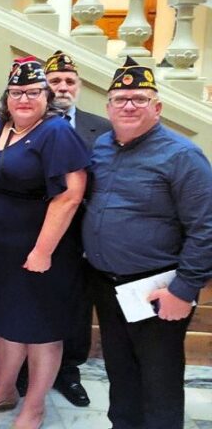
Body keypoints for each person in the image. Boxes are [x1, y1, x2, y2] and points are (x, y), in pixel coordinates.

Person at [84, 57, 212, 429]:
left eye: (139, 99)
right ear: (108, 107)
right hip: (108, 286)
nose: (128, 105)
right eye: (120, 98)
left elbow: (206, 227)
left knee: (160, 382)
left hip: (159, 289)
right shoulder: (101, 147)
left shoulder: (182, 156)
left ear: (157, 107)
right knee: (120, 373)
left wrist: (183, 291)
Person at [0, 57, 88, 428]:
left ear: (46, 95)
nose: (24, 98)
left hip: (38, 250)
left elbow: (70, 195)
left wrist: (42, 251)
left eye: (33, 92)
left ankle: (34, 407)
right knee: (6, 321)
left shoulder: (56, 132)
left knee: (41, 329)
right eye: (17, 92)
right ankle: (4, 390)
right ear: (7, 96)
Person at [16, 50, 111, 406]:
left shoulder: (99, 128)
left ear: (80, 86)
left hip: (80, 235)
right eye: (54, 81)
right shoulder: (26, 121)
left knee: (75, 306)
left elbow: (101, 183)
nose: (62, 87)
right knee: (31, 301)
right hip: (32, 231)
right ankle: (27, 371)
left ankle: (69, 373)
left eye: (69, 81)